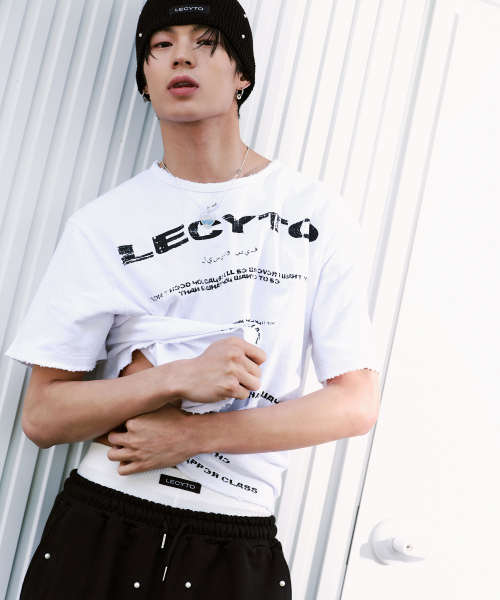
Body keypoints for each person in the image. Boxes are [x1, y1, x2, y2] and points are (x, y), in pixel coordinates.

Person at [5, 0, 381, 597]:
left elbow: (355, 403)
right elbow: (43, 415)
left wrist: (192, 435)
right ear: (145, 78)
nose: (181, 56)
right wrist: (176, 377)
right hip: (106, 515)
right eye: (161, 45)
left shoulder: (316, 214)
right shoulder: (101, 226)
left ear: (242, 75)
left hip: (235, 530)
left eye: (206, 42)